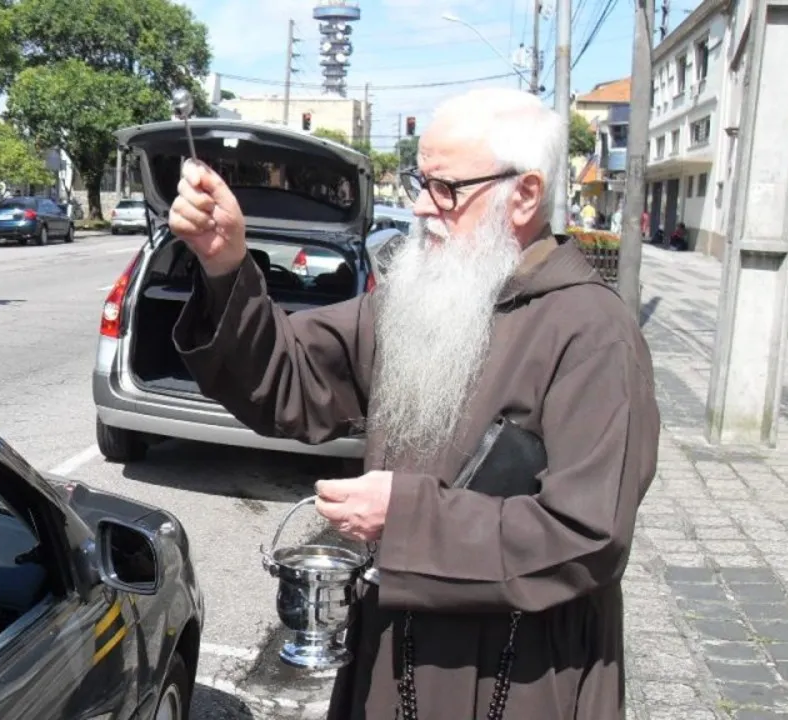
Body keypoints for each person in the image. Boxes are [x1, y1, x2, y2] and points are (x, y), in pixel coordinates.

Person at [167, 86, 659, 719]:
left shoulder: (594, 334)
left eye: (446, 189)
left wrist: (406, 519)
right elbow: (286, 377)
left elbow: (588, 536)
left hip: (519, 676)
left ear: (526, 195)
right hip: (390, 657)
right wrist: (227, 263)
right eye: (418, 182)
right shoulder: (414, 302)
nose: (423, 208)